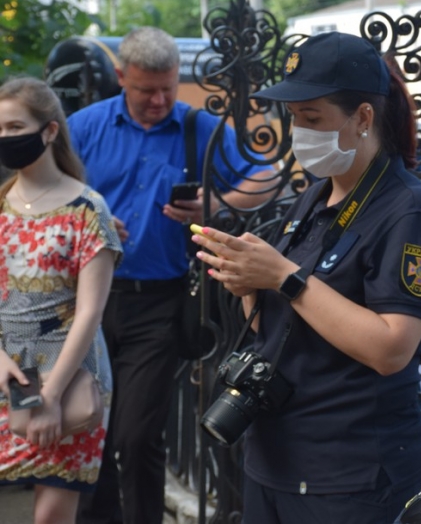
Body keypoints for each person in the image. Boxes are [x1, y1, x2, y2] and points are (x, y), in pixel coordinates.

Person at [192, 31, 421, 523]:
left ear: (363, 118)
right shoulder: (316, 195)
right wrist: (250, 284)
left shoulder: (409, 210)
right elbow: (285, 325)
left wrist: (285, 278)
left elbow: (391, 348)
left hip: (350, 475)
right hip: (276, 458)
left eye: (312, 119)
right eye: (293, 118)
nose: (299, 132)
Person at [67, 27, 273, 524]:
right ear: (121, 78)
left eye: (168, 87)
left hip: (159, 302)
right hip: (81, 299)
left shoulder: (196, 126)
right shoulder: (83, 126)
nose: (160, 100)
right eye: (146, 90)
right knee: (87, 428)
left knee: (137, 434)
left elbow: (266, 175)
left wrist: (215, 203)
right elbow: (38, 187)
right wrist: (81, 214)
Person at [0, 77, 122, 524]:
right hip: (5, 370)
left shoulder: (88, 210)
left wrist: (48, 396)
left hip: (67, 374)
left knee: (52, 516)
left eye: (16, 127)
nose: (5, 138)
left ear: (49, 131)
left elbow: (91, 311)